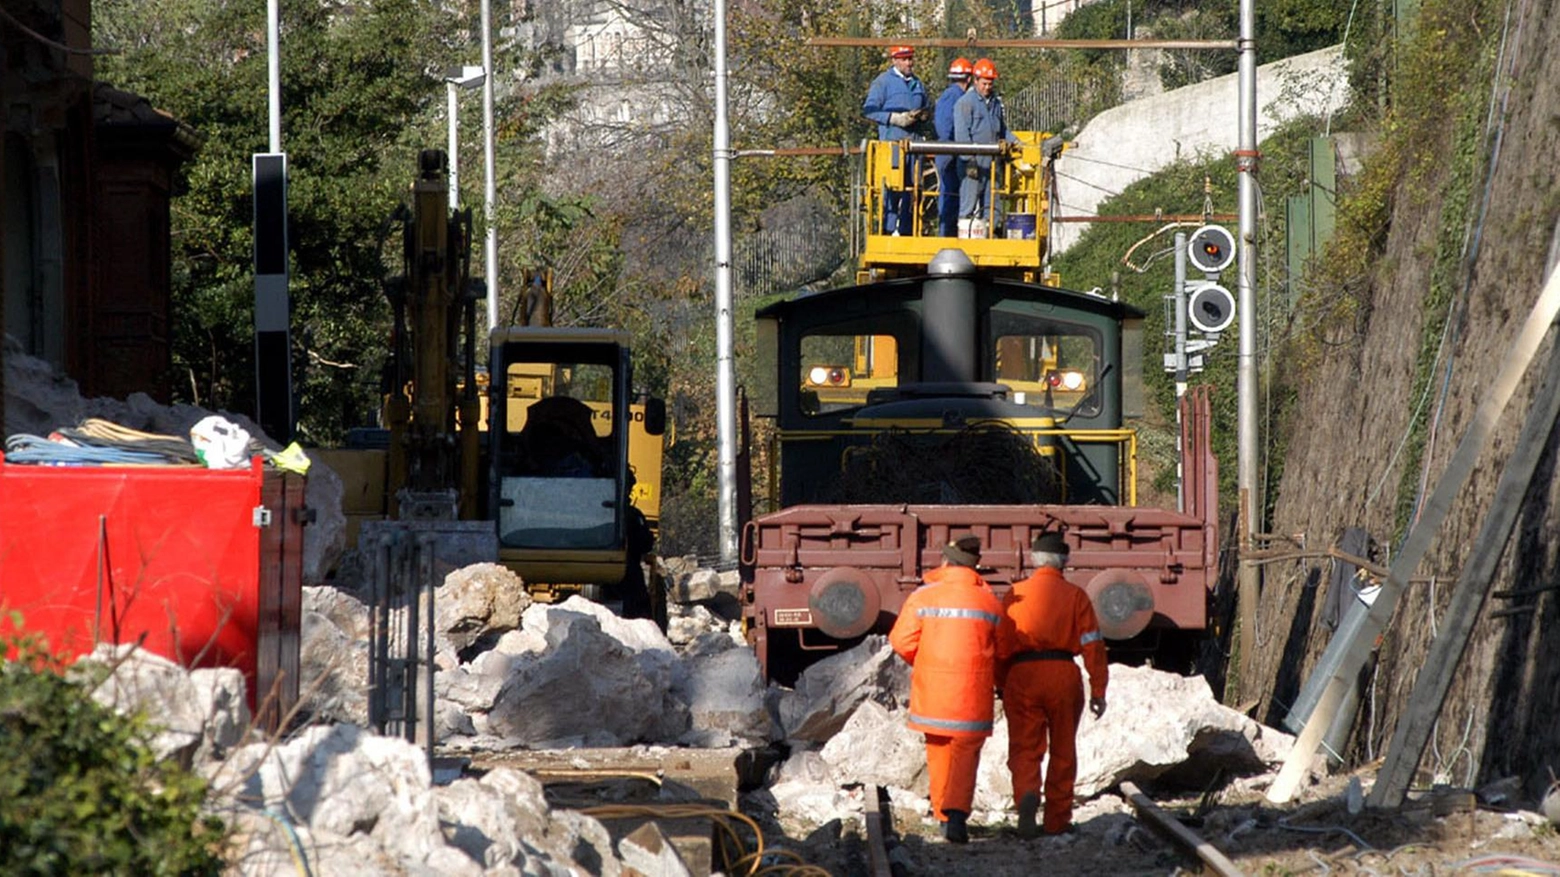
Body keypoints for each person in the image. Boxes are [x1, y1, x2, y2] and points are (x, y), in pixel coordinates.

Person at [888, 533, 1003, 844]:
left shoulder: (923, 597)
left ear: (945, 562)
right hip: (973, 694)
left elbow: (900, 641)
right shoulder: (990, 601)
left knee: (937, 749)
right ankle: (955, 814)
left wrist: (925, 661)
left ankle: (941, 815)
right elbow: (1004, 647)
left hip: (934, 691)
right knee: (965, 753)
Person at [995, 530, 1108, 838]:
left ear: (1033, 559)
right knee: (1063, 749)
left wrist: (1002, 683)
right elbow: (1092, 645)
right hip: (1063, 674)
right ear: (1065, 561)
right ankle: (1057, 819)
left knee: (1024, 748)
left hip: (1023, 674)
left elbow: (1002, 645)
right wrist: (1098, 688)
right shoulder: (1076, 596)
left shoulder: (1015, 593)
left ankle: (1027, 796)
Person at [863, 45, 930, 236]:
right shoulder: (883, 83)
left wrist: (922, 115)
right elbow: (869, 110)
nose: (909, 63)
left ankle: (908, 230)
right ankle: (888, 228)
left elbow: (926, 105)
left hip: (915, 145)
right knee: (892, 187)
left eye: (910, 59)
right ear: (894, 60)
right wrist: (894, 118)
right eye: (904, 59)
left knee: (914, 188)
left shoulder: (917, 83)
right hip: (892, 146)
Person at [953, 58, 1018, 237]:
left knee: (993, 204)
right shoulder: (965, 103)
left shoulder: (995, 104)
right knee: (968, 202)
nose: (987, 87)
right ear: (975, 81)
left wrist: (1019, 144)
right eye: (984, 83)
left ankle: (993, 235)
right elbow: (962, 136)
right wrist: (969, 161)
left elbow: (1002, 129)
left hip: (992, 163)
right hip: (972, 164)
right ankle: (965, 239)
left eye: (990, 83)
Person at [933, 58, 974, 237]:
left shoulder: (951, 95)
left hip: (950, 149)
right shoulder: (954, 96)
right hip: (949, 151)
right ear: (969, 78)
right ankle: (947, 234)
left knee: (953, 194)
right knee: (950, 193)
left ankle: (950, 231)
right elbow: (944, 126)